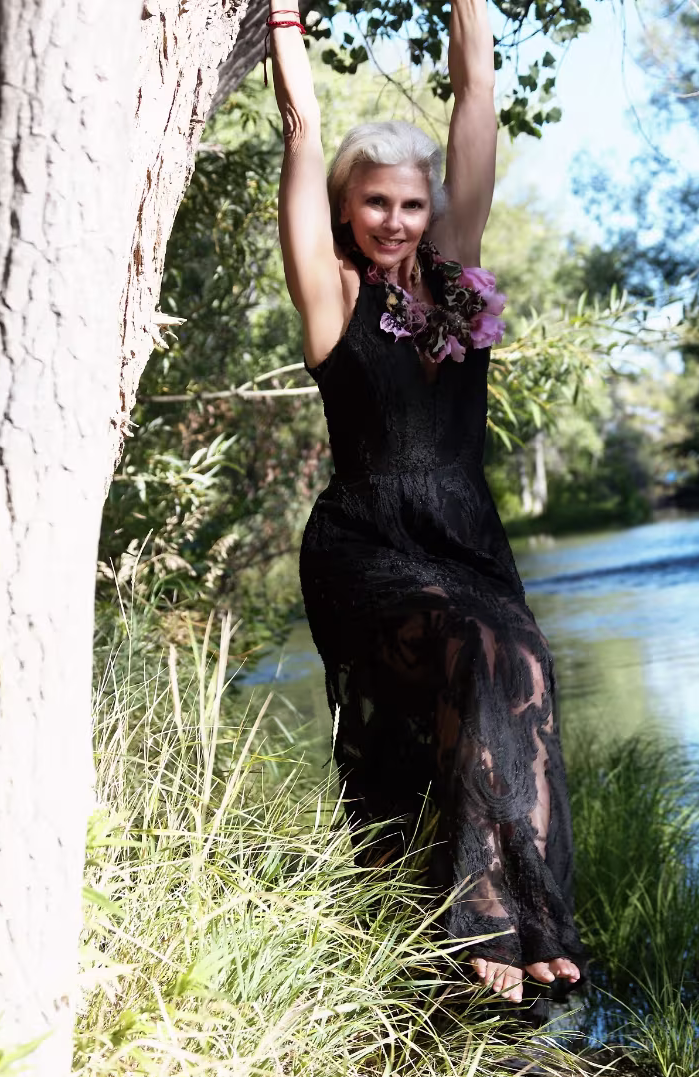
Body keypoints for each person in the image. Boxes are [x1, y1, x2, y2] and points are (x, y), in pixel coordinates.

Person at [267, 0, 585, 1004]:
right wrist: (283, 22)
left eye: (410, 203)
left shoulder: (454, 283)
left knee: (519, 663)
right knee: (477, 648)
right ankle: (482, 922)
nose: (395, 221)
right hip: (367, 545)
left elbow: (475, 92)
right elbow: (302, 133)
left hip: (464, 539)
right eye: (374, 203)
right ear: (346, 207)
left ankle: (535, 923)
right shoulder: (332, 294)